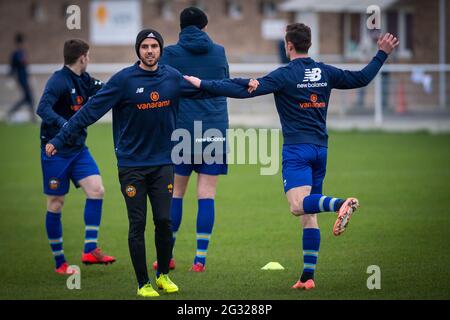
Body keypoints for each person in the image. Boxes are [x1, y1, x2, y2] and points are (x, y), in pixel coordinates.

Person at [184, 23, 399, 290]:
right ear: (309, 43)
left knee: (297, 206)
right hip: (321, 149)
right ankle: (308, 277)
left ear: (288, 45)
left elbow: (242, 90)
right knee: (309, 213)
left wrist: (201, 83)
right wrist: (382, 53)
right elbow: (362, 78)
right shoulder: (325, 71)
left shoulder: (284, 75)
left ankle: (340, 203)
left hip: (297, 151)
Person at [45, 29, 215, 298]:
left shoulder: (171, 76)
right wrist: (61, 137)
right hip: (132, 166)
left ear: (160, 49)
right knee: (138, 224)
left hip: (163, 164)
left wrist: (251, 86)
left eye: (154, 46)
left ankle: (163, 276)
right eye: (145, 46)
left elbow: (209, 87)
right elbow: (89, 112)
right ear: (138, 50)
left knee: (164, 221)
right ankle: (143, 282)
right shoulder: (124, 80)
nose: (150, 51)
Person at [153, 6, 230, 272]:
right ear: (204, 27)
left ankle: (168, 256)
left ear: (181, 28)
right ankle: (200, 259)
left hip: (181, 130)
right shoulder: (219, 51)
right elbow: (224, 84)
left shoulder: (170, 53)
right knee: (206, 195)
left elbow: (161, 87)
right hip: (214, 130)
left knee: (175, 195)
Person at [36, 39, 116, 275]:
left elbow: (108, 90)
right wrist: (65, 125)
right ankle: (60, 263)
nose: (88, 59)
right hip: (56, 152)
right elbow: (42, 108)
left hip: (78, 149)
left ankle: (90, 249)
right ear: (83, 57)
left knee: (96, 189)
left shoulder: (86, 80)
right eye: (88, 55)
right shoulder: (58, 80)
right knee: (56, 203)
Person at [7, 33, 36, 122]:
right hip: (20, 78)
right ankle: (32, 117)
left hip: (25, 78)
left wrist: (29, 77)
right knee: (29, 97)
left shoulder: (23, 52)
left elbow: (26, 67)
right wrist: (10, 79)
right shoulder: (15, 54)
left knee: (28, 98)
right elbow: (12, 68)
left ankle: (12, 111)